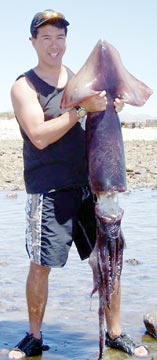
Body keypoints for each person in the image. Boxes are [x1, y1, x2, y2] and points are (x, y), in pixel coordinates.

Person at [8, 9, 148, 359]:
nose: (54, 45)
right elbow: (39, 136)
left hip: (89, 188)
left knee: (108, 258)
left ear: (66, 41)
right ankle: (34, 336)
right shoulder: (23, 86)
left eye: (60, 37)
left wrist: (108, 107)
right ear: (33, 42)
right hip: (48, 190)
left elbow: (94, 119)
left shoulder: (76, 79)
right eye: (46, 38)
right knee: (41, 265)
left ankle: (115, 333)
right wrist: (82, 108)